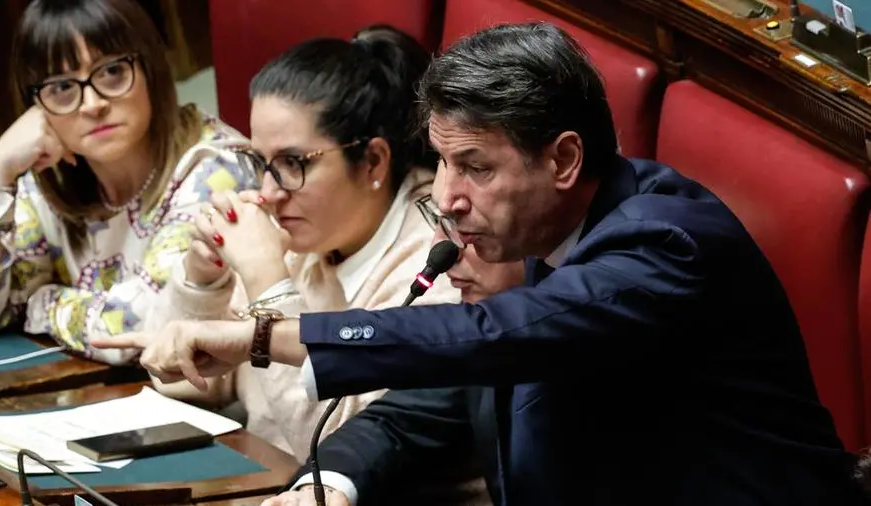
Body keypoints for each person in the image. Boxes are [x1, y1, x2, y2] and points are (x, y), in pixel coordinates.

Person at [94, 22, 863, 504]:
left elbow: (493, 336)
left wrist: (262, 334)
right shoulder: (533, 248)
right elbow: (415, 411)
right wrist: (328, 486)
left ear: (564, 159)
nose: (447, 198)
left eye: (476, 167)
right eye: (442, 163)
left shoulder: (663, 244)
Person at [142, 25, 461, 461]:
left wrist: (267, 284)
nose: (269, 192)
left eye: (293, 163)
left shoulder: (440, 263)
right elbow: (180, 378)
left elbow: (341, 455)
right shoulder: (305, 234)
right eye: (260, 162)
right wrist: (203, 277)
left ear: (373, 161)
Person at [0, 0, 256, 365]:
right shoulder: (46, 179)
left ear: (150, 67)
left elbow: (144, 331)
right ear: (37, 105)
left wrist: (40, 303)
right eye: (62, 86)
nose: (92, 104)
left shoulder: (215, 167)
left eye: (112, 71)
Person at [276, 242, 523, 506]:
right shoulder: (483, 335)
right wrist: (324, 487)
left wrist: (271, 299)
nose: (442, 248)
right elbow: (395, 423)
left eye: (465, 229)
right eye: (438, 222)